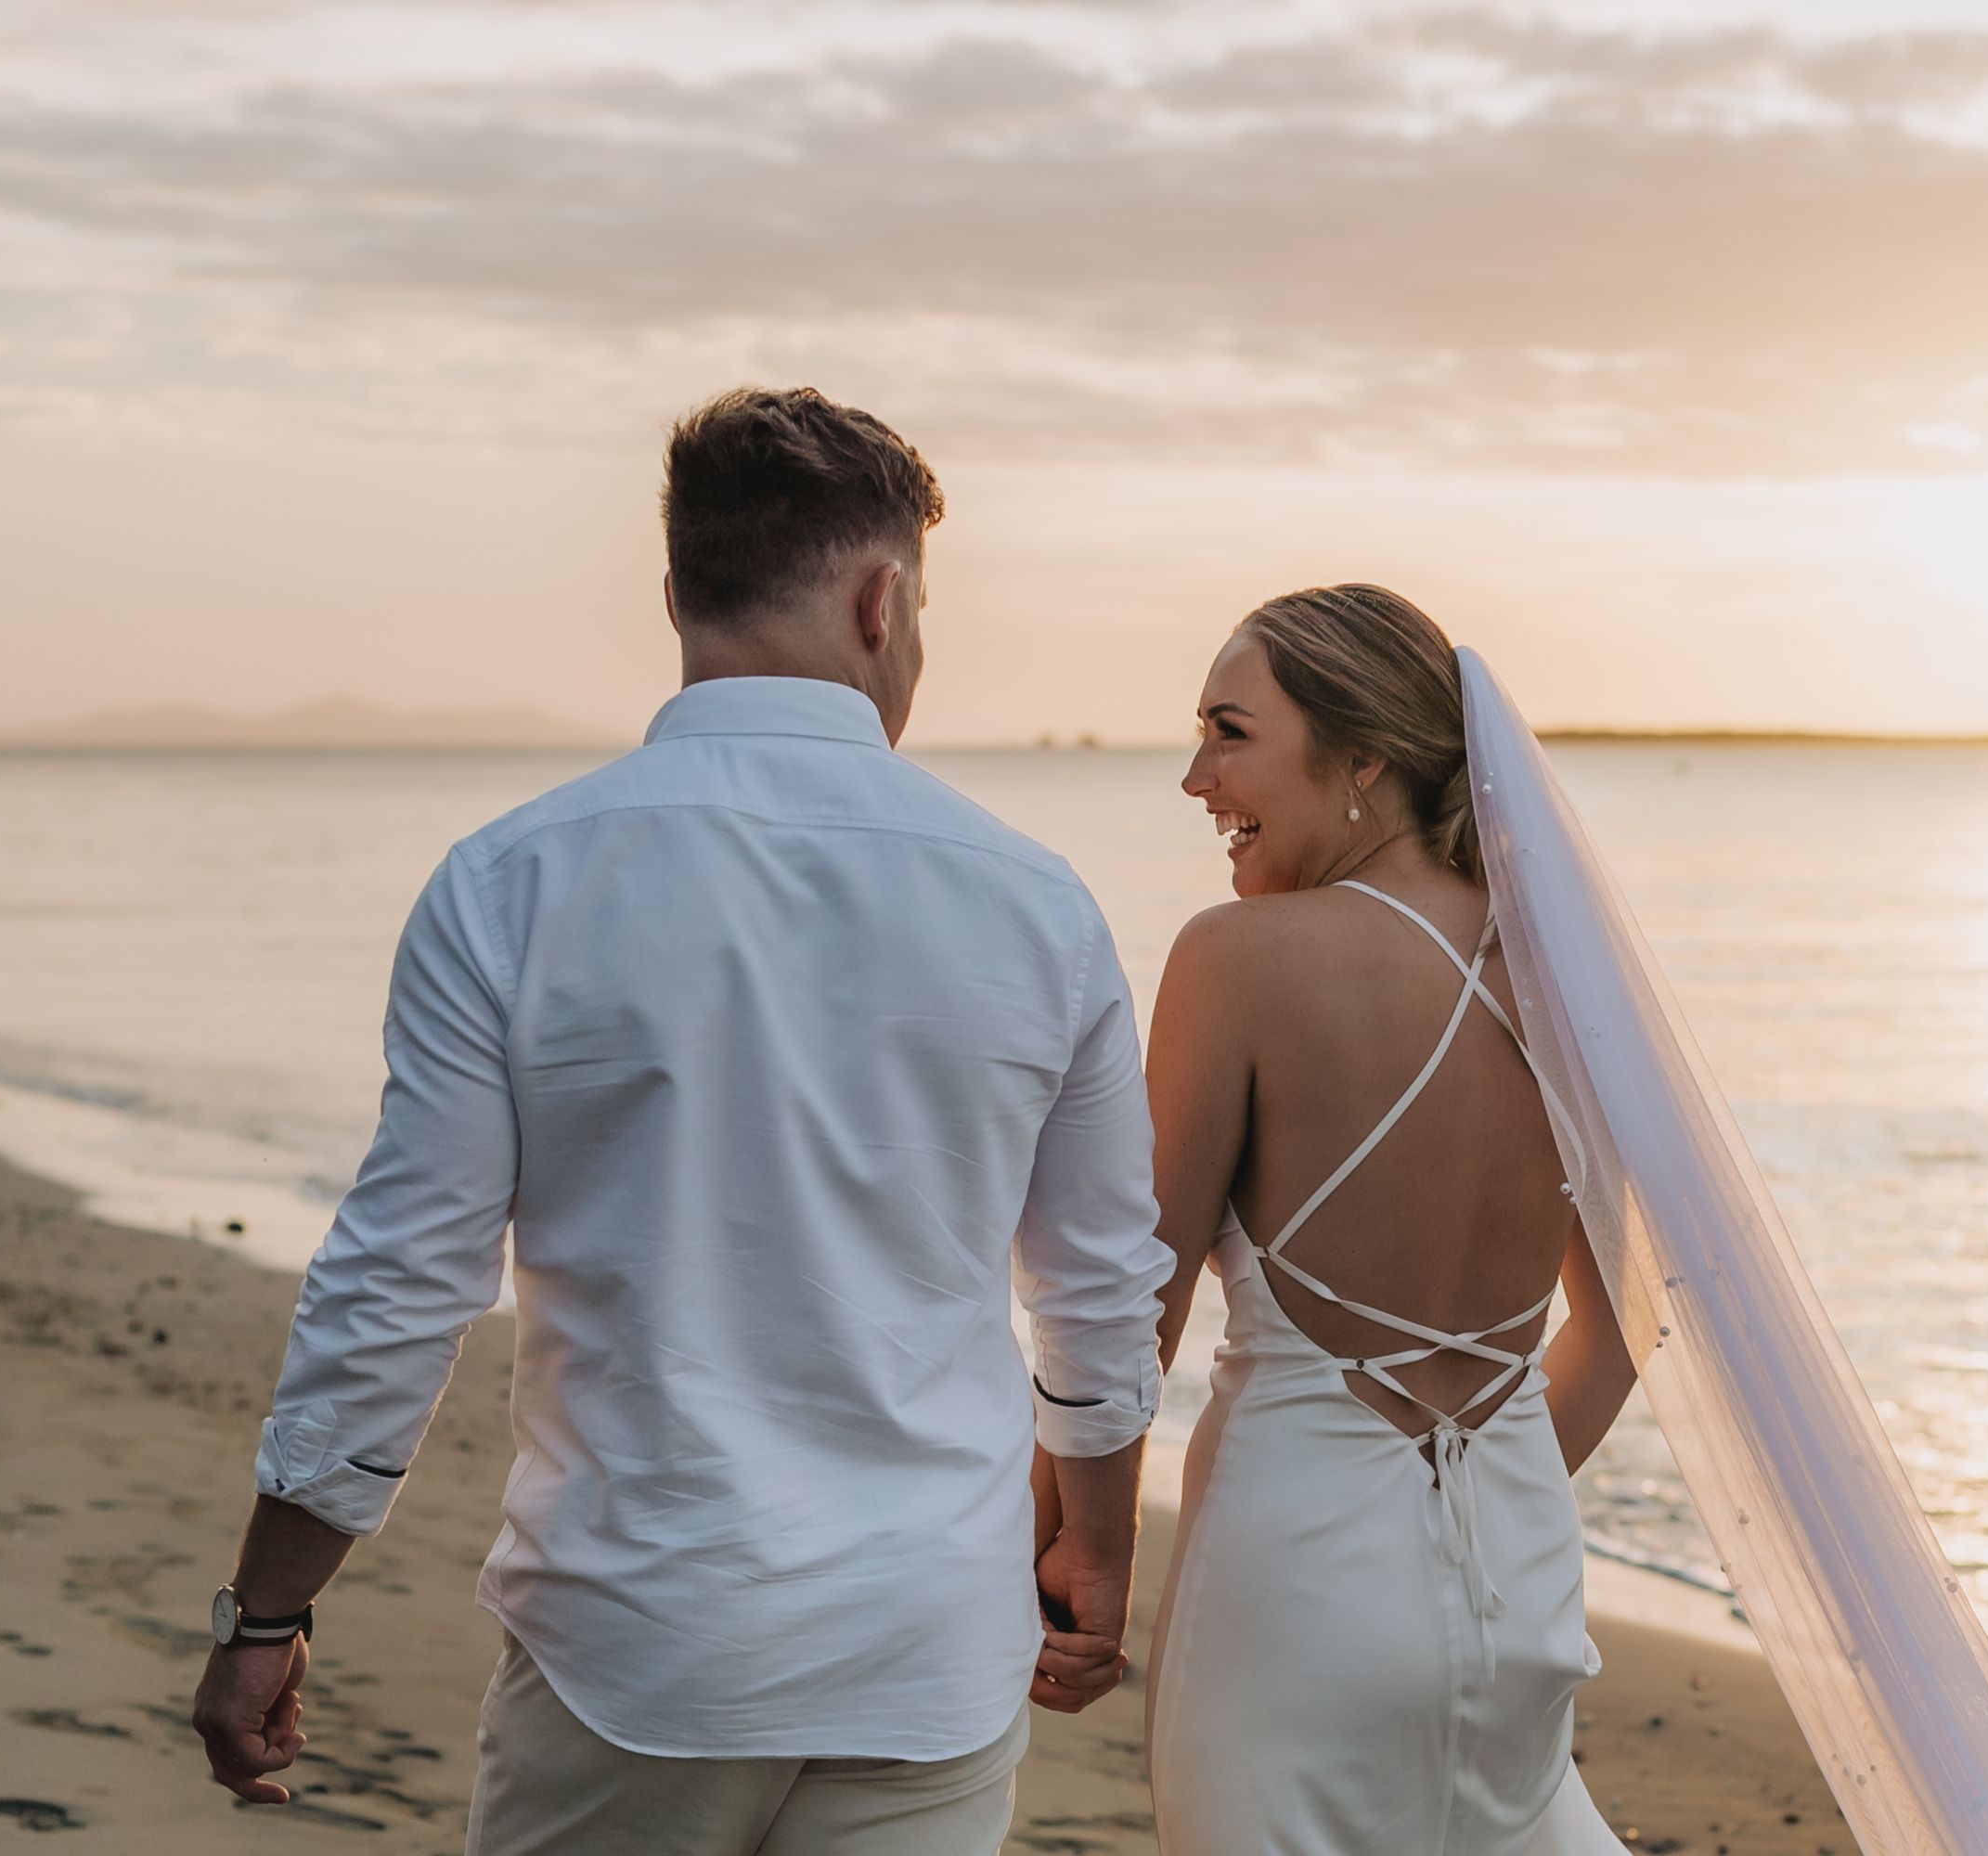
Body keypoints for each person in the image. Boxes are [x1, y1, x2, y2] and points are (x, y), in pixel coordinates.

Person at [189, 386, 1172, 1855]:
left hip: (639, 1636)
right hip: (923, 1646)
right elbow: (1095, 1292)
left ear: (675, 594)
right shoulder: (1039, 905)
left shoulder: (512, 882)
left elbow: (401, 1281)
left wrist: (270, 1605)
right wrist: (1092, 1549)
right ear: (879, 597)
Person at [1142, 585, 1641, 1852]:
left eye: (1229, 731)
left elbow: (1129, 1320)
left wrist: (1067, 1548)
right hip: (1522, 1583)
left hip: (1297, 1591)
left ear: (1362, 756)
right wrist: (1473, 1473)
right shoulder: (1556, 967)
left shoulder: (1234, 962)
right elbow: (1627, 1328)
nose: (1197, 777)